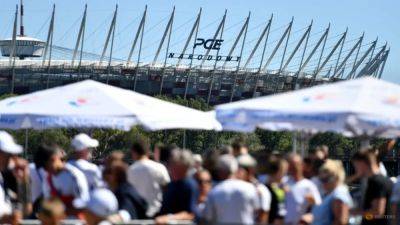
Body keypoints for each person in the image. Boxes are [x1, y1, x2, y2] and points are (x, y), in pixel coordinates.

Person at [34, 144, 89, 217]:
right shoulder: (48, 178)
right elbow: (48, 202)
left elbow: (84, 203)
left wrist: (62, 210)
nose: (45, 170)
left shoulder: (74, 176)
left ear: (54, 158)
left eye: (46, 166)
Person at [202, 154, 260, 224]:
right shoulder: (250, 188)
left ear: (220, 171)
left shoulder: (214, 192)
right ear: (236, 169)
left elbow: (208, 217)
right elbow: (257, 211)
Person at [127, 137, 170, 217]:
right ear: (147, 151)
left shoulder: (130, 170)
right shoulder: (160, 167)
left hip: (137, 213)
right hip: (157, 213)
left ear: (134, 152)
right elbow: (167, 189)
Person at [301, 160, 353, 225]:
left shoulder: (339, 194)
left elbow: (341, 221)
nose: (323, 183)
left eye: (326, 179)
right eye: (321, 180)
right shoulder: (329, 192)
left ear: (336, 177)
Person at [155, 149, 199, 224]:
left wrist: (169, 218)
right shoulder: (171, 184)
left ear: (184, 166)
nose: (170, 167)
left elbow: (191, 214)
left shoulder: (189, 185)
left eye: (173, 163)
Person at [351, 150, 393, 225]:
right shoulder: (383, 180)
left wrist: (356, 213)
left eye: (355, 165)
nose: (356, 169)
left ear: (362, 164)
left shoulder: (377, 182)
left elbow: (378, 213)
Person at [284, 153, 321, 225]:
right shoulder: (283, 182)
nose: (293, 167)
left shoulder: (309, 186)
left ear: (302, 166)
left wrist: (309, 216)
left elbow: (318, 207)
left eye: (296, 165)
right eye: (291, 165)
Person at [237, 154, 272, 224]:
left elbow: (263, 217)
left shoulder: (261, 190)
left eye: (240, 169)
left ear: (250, 171)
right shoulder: (233, 188)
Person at [0, 131, 25, 225]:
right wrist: (5, 219)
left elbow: (26, 209)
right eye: (9, 154)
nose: (14, 158)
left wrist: (23, 179)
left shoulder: (3, 177)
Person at [266, 156, 288, 225]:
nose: (285, 175)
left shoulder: (279, 188)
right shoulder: (268, 190)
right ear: (279, 171)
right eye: (284, 172)